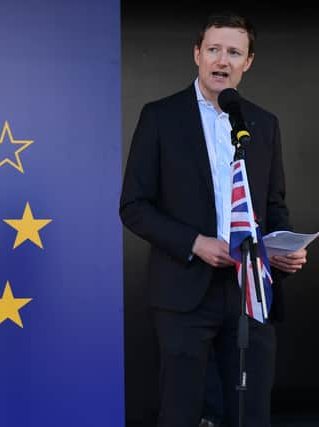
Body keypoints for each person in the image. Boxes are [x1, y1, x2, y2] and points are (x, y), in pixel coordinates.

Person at [120, 11, 307, 427]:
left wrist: (283, 249)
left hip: (252, 293)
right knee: (182, 413)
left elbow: (273, 205)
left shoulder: (264, 124)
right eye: (214, 50)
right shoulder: (160, 117)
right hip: (184, 294)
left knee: (250, 412)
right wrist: (196, 243)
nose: (223, 60)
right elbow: (133, 206)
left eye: (234, 52)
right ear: (197, 55)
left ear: (248, 62)